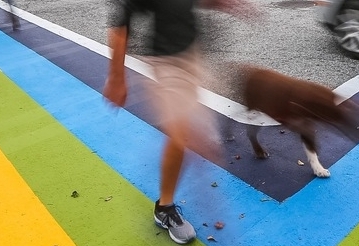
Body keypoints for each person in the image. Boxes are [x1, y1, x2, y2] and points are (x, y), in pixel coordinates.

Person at [103, 0, 258, 243]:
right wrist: (116, 78)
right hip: (167, 63)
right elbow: (120, 25)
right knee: (185, 136)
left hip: (191, 55)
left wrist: (220, 4)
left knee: (199, 141)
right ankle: (164, 208)